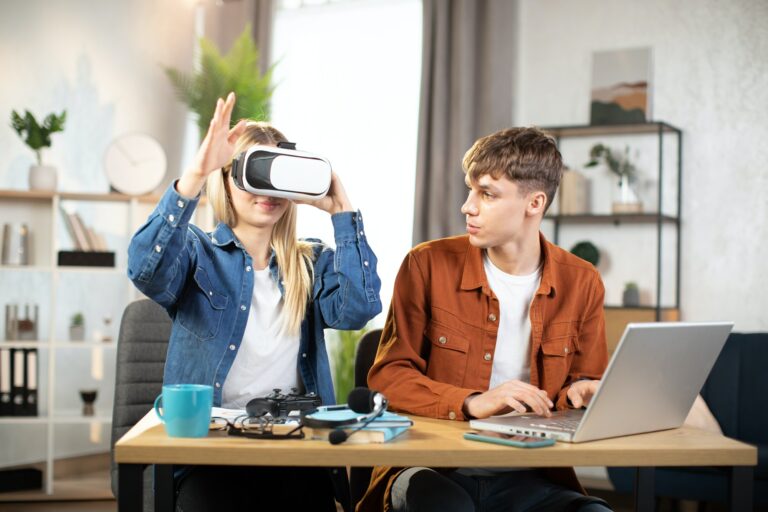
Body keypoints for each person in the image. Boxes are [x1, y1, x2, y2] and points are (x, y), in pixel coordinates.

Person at [127, 92, 382, 511]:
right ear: (225, 179)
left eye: (278, 178)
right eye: (254, 175)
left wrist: (342, 212)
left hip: (295, 450)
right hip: (211, 454)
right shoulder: (195, 254)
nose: (267, 191)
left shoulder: (311, 263)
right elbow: (144, 270)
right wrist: (195, 173)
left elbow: (358, 309)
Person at [357, 127, 611, 512]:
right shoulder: (426, 264)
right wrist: (472, 401)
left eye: (487, 193)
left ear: (534, 203)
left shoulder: (583, 281)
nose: (468, 206)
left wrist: (586, 394)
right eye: (470, 189)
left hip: (531, 477)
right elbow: (389, 377)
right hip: (433, 469)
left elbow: (580, 387)